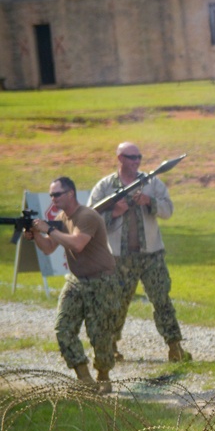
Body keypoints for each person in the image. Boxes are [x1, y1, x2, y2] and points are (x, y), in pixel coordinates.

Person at [88, 142, 190, 363]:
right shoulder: (105, 186)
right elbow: (89, 219)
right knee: (116, 303)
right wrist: (114, 212)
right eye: (131, 157)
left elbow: (168, 210)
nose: (136, 161)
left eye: (139, 157)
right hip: (118, 258)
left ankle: (174, 347)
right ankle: (111, 347)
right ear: (120, 158)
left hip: (151, 255)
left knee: (161, 299)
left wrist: (149, 201)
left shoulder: (152, 182)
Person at [25, 177, 119, 394]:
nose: (53, 198)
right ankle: (84, 378)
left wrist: (48, 229)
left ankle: (103, 375)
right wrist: (36, 235)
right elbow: (49, 248)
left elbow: (77, 244)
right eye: (51, 195)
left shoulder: (87, 216)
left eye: (56, 194)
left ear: (70, 194)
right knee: (63, 328)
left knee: (99, 333)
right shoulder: (60, 218)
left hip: (101, 280)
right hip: (77, 280)